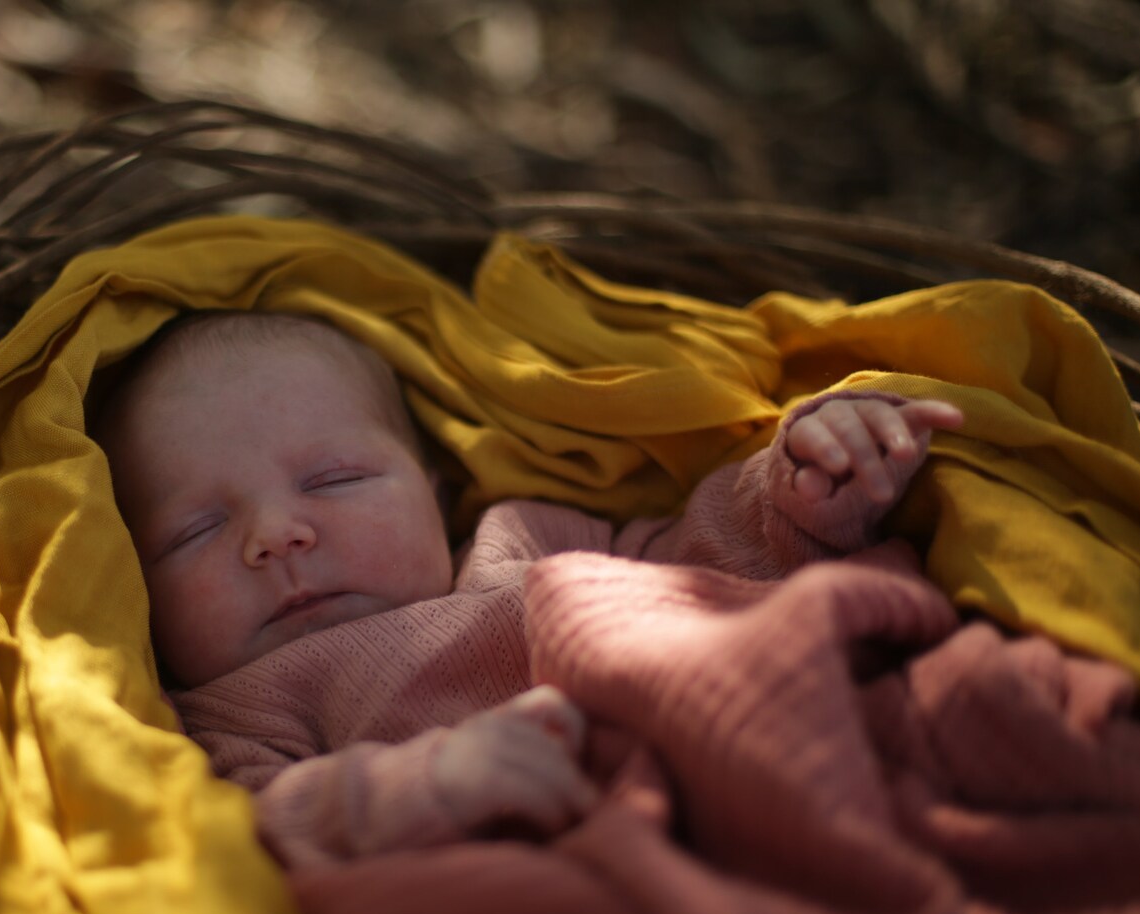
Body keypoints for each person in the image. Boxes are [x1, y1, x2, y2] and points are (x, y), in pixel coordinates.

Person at [95, 311, 964, 866]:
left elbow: (699, 562)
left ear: (436, 492)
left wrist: (800, 484)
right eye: (193, 531)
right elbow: (246, 836)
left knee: (967, 700)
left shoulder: (517, 539)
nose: (275, 534)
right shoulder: (230, 715)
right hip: (555, 896)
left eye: (334, 480)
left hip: (752, 757)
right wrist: (417, 787)